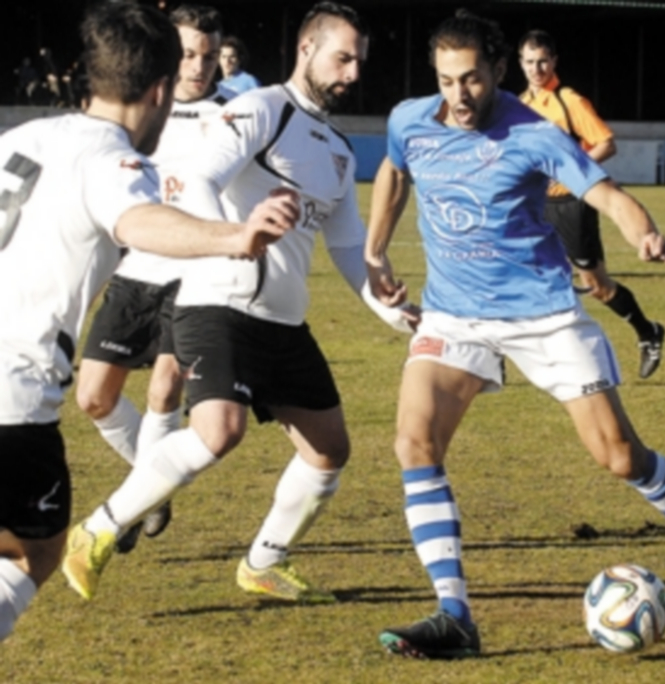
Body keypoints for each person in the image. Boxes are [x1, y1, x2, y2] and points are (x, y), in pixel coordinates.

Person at [365, 10, 665, 660]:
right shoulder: (409, 120)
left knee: (619, 457)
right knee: (414, 441)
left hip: (542, 314)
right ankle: (455, 616)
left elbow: (603, 192)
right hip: (454, 316)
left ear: (497, 71)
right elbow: (392, 170)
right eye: (446, 80)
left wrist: (643, 230)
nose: (458, 95)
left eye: (471, 79)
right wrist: (377, 250)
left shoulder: (535, 134)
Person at [62, 1, 417, 605]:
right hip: (217, 305)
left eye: (359, 62)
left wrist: (396, 313)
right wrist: (236, 236)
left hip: (283, 321)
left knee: (330, 448)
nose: (352, 73)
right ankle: (95, 531)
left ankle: (263, 561)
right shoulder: (261, 109)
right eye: (342, 58)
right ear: (307, 50)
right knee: (218, 430)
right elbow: (199, 177)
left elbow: (350, 245)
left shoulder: (335, 146)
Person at [0, 2, 298, 643]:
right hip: (13, 406)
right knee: (35, 555)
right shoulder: (110, 162)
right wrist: (235, 234)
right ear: (161, 90)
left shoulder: (18, 140)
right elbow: (141, 223)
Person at [76, 4, 235, 555]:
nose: (200, 67)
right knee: (94, 397)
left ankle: (123, 509)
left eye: (210, 56)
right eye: (189, 54)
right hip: (137, 269)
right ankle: (151, 487)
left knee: (166, 386)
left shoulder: (237, 116)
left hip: (195, 276)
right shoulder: (139, 111)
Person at [518, 30, 665, 379]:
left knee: (597, 285)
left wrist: (570, 173)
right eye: (529, 62)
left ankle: (648, 332)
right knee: (524, 274)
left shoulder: (569, 101)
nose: (536, 68)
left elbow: (606, 143)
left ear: (554, 62)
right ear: (520, 64)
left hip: (571, 204)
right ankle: (502, 356)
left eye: (542, 61)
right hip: (535, 206)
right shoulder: (520, 105)